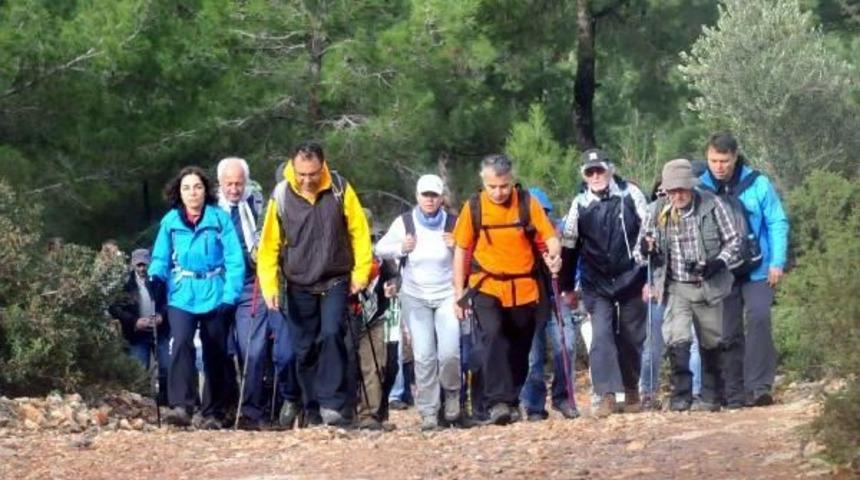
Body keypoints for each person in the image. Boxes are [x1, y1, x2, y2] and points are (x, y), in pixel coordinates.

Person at [257, 141, 372, 427]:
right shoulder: (281, 195)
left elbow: (359, 232)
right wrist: (269, 287)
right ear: (292, 167)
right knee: (304, 348)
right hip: (298, 282)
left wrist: (361, 273)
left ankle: (333, 404)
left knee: (332, 335)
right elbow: (269, 245)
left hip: (335, 277)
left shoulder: (340, 188)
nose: (307, 180)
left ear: (323, 165)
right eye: (301, 174)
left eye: (312, 173)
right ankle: (312, 408)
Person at [452, 154, 562, 426]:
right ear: (483, 182)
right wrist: (458, 290)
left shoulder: (527, 203)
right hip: (486, 285)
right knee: (493, 335)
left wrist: (555, 256)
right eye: (492, 187)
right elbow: (461, 249)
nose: (498, 192)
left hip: (524, 288)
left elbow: (550, 237)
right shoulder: (474, 207)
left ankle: (511, 401)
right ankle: (497, 402)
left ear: (512, 181)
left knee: (519, 348)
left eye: (503, 186)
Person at [635, 158, 741, 412]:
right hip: (675, 285)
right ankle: (681, 395)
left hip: (709, 284)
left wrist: (716, 263)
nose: (677, 195)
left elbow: (735, 242)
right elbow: (639, 257)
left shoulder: (713, 205)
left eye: (681, 189)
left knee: (711, 340)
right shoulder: (655, 212)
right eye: (672, 190)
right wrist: (646, 250)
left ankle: (711, 395)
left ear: (691, 187)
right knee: (677, 338)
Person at [149, 166, 246, 428]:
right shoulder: (170, 222)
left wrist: (230, 295)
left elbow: (235, 260)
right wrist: (156, 277)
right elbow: (160, 256)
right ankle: (182, 406)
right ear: (178, 193)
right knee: (181, 343)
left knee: (215, 350)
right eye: (187, 188)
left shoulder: (219, 219)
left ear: (206, 190)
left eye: (198, 187)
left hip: (215, 290)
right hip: (182, 291)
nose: (193, 193)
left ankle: (213, 411)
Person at [699, 132, 789, 408]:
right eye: (714, 160)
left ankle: (759, 386)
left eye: (724, 160)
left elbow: (777, 222)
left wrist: (777, 262)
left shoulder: (758, 184)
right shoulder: (700, 188)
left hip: (758, 268)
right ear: (707, 158)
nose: (719, 166)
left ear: (735, 157)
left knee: (760, 318)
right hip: (721, 271)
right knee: (727, 331)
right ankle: (732, 391)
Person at [559, 149, 649, 417]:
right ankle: (606, 394)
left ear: (609, 169)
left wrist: (644, 263)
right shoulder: (579, 204)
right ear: (584, 176)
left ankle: (631, 389)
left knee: (632, 336)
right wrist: (567, 287)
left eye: (599, 170)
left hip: (631, 276)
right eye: (590, 172)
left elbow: (648, 228)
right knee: (601, 337)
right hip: (595, 281)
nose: (595, 176)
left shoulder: (631, 194)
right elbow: (570, 245)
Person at [216, 157, 299, 429]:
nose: (234, 189)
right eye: (229, 184)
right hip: (219, 285)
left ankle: (253, 411)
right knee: (222, 351)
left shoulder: (259, 205)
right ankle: (221, 407)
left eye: (239, 183)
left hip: (254, 284)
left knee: (254, 348)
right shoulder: (211, 209)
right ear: (220, 183)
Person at [375, 174, 461, 431]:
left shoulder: (453, 223)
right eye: (425, 195)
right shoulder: (405, 222)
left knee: (449, 353)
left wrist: (457, 246)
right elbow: (380, 248)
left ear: (442, 197)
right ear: (417, 196)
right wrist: (401, 247)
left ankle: (453, 395)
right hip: (415, 296)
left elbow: (473, 251)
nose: (430, 200)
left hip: (447, 294)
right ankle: (428, 412)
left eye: (434, 195)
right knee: (424, 356)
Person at [519, 187, 579, 421]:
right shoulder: (518, 238)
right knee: (533, 356)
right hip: (530, 302)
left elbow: (574, 260)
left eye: (542, 212)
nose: (538, 218)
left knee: (567, 346)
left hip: (556, 299)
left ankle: (563, 398)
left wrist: (568, 284)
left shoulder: (560, 234)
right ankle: (533, 405)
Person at [108, 248, 170, 405]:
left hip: (160, 332)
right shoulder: (125, 285)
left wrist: (161, 315)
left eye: (145, 264)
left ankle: (166, 402)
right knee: (138, 370)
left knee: (166, 367)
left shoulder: (158, 282)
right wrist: (134, 321)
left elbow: (168, 302)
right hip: (137, 335)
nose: (142, 268)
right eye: (139, 265)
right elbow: (115, 308)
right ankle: (140, 403)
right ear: (133, 265)